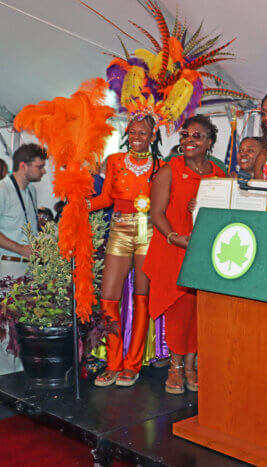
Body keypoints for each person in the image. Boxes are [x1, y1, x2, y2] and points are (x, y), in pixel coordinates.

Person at [143, 115, 225, 394]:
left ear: (209, 142)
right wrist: (174, 237)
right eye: (185, 135)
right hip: (173, 249)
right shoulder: (169, 170)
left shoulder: (219, 174)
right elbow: (156, 212)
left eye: (197, 136)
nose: (189, 140)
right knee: (178, 312)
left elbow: (225, 211)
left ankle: (191, 366)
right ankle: (176, 367)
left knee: (198, 312)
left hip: (203, 253)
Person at [88, 116, 160, 387]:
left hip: (147, 231)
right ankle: (113, 362)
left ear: (153, 136)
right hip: (119, 229)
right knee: (108, 297)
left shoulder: (160, 166)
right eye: (132, 132)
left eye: (142, 133)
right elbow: (106, 198)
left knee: (142, 298)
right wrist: (81, 207)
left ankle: (132, 364)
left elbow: (164, 204)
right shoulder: (115, 161)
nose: (136, 137)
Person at [0, 143, 46, 375]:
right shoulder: (2, 189)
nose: (44, 171)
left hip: (28, 267)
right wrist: (20, 248)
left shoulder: (31, 190)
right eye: (40, 166)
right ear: (23, 165)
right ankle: (6, 380)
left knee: (23, 324)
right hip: (8, 264)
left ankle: (19, 374)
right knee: (6, 326)